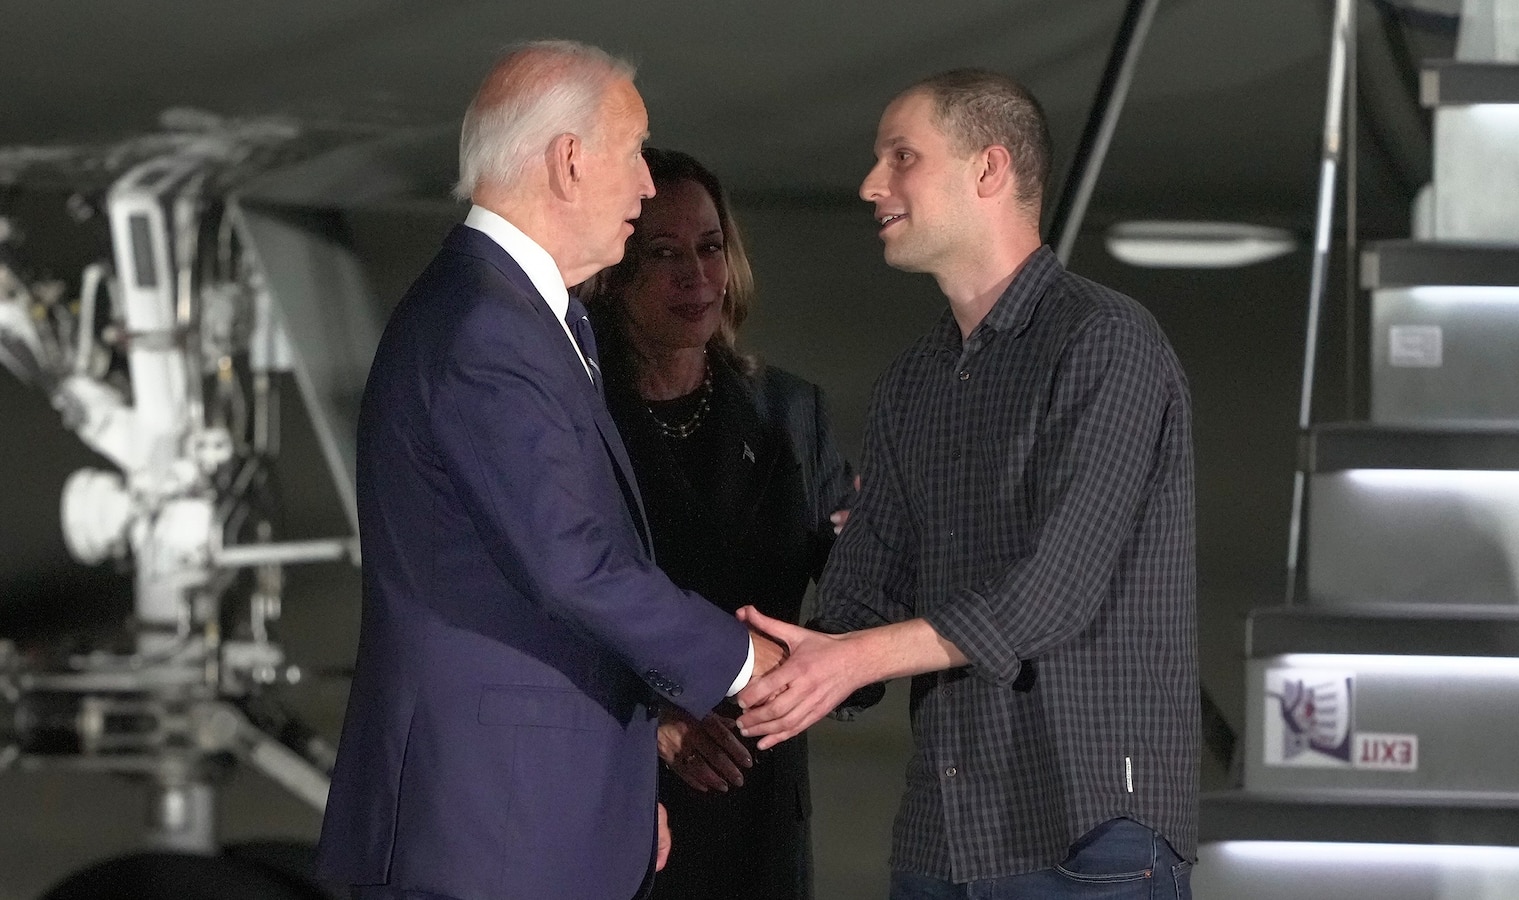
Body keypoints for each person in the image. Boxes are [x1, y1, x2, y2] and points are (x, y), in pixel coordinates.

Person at [315, 41, 784, 900]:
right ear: (569, 161)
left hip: (530, 809)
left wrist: (611, 778)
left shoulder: (526, 312)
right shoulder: (485, 329)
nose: (648, 188)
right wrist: (749, 661)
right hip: (491, 828)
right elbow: (574, 564)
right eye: (636, 152)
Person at [736, 69, 1199, 899]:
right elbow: (858, 604)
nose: (871, 185)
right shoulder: (912, 383)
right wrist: (746, 663)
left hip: (1085, 839)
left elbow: (1050, 594)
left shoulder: (1106, 342)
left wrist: (847, 659)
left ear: (989, 171)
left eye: (901, 156)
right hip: (942, 843)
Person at [582, 146, 854, 900]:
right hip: (625, 794)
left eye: (709, 248)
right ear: (614, 273)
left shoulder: (789, 410)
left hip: (758, 795)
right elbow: (552, 602)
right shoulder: (576, 416)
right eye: (664, 253)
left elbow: (858, 591)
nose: (696, 276)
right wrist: (652, 723)